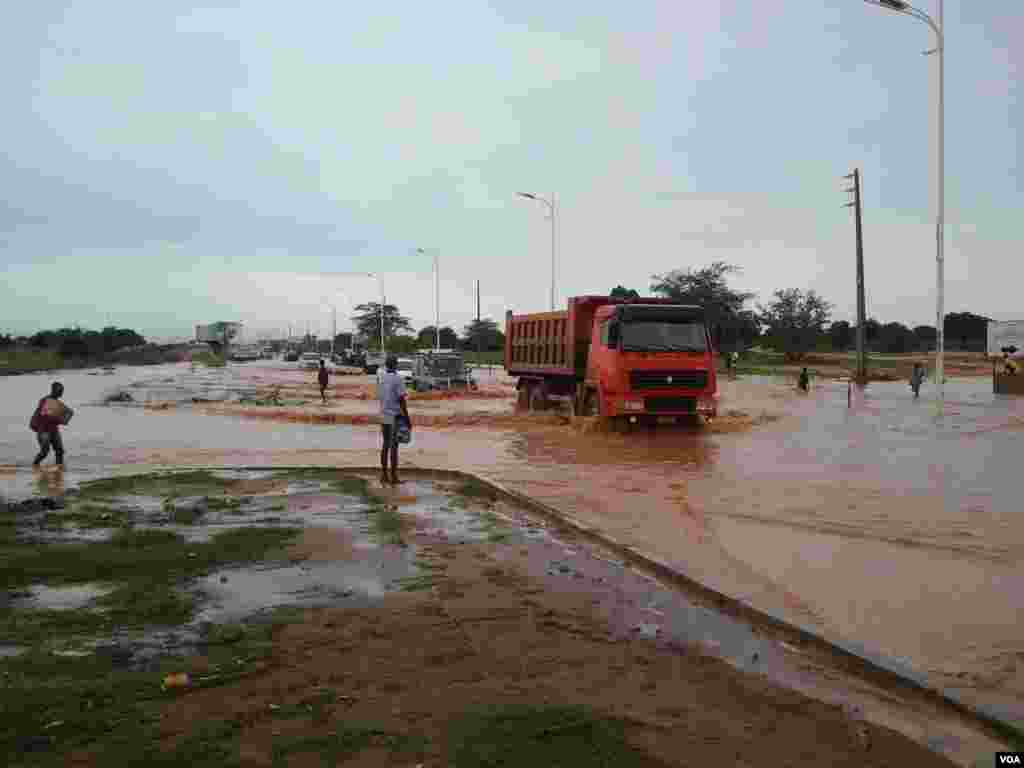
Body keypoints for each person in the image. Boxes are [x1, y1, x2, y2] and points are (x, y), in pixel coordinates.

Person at [377, 355, 411, 485]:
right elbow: (402, 400)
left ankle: (384, 475)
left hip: (384, 415)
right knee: (394, 447)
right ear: (396, 364)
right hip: (395, 417)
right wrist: (407, 418)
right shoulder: (398, 378)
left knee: (385, 445)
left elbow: (380, 396)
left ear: (386, 365)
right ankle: (394, 477)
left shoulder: (381, 378)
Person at [30, 382, 72, 469]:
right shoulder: (45, 400)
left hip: (54, 430)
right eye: (59, 391)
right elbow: (46, 415)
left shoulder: (57, 403)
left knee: (59, 450)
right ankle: (34, 465)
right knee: (45, 451)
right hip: (43, 430)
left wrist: (65, 418)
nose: (61, 393)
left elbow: (68, 412)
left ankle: (59, 467)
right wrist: (62, 420)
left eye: (61, 391)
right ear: (53, 390)